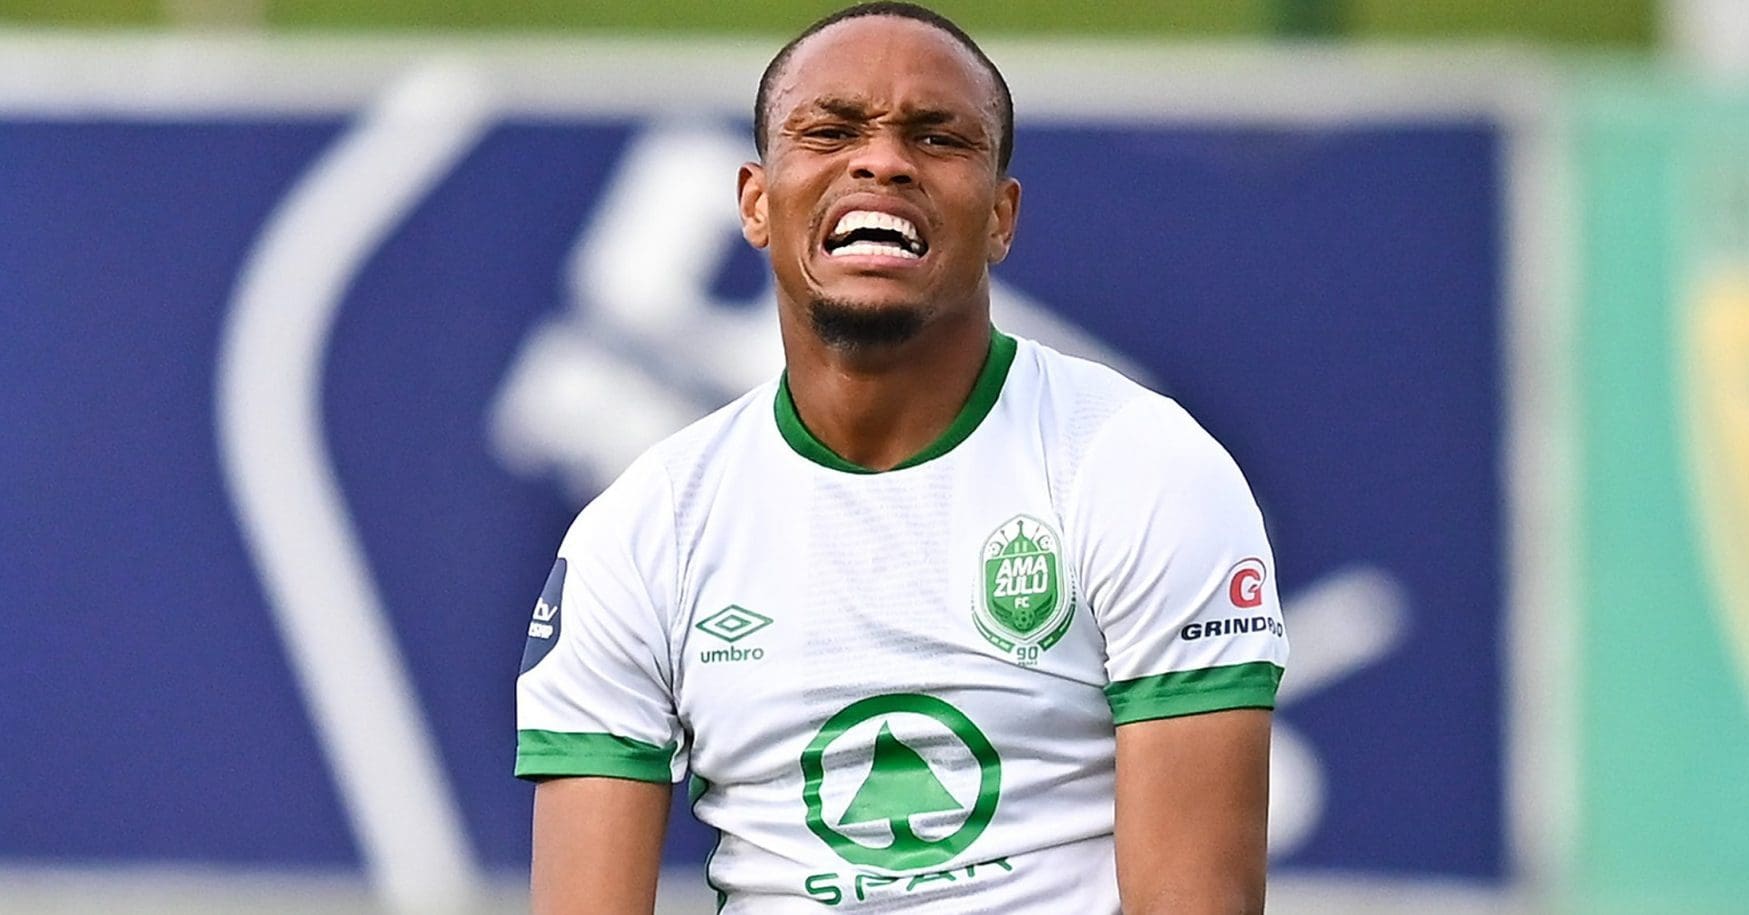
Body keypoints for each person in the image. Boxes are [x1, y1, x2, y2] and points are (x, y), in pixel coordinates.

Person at [515, 3, 1288, 912]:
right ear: (755, 203)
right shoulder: (642, 531)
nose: (882, 161)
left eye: (937, 138)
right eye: (831, 131)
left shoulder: (1144, 470)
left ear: (1001, 217)